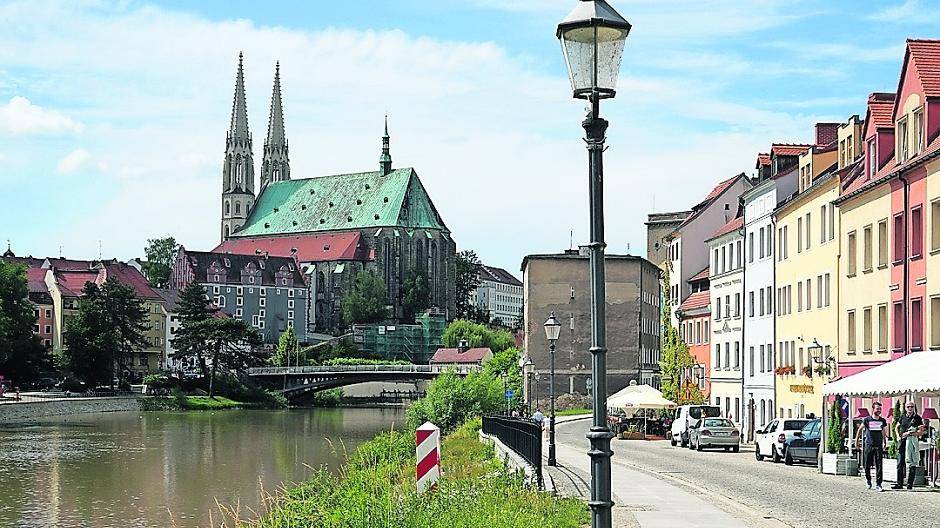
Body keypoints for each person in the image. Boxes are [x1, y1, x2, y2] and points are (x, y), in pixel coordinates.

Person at [856, 401, 888, 491]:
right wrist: (857, 441)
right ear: (873, 409)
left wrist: (884, 441)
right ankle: (868, 480)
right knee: (867, 464)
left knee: (879, 465)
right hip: (868, 444)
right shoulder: (867, 420)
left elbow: (883, 432)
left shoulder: (882, 420)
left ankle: (879, 484)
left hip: (878, 445)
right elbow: (860, 430)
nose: (879, 410)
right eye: (877, 409)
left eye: (880, 409)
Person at [892, 401, 924, 490]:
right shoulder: (902, 417)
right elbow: (896, 427)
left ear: (914, 408)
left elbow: (921, 432)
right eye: (908, 407)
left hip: (912, 443)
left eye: (912, 407)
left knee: (912, 463)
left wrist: (912, 433)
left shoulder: (917, 418)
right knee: (900, 463)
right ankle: (899, 483)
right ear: (905, 408)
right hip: (902, 442)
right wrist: (898, 436)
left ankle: (910, 484)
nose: (910, 408)